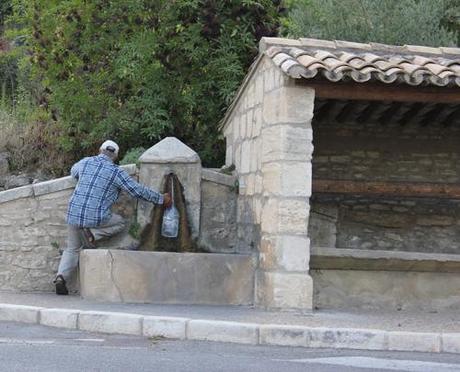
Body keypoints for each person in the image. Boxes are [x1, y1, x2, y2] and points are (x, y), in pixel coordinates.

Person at [54, 140, 171, 295]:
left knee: (72, 248)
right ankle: (92, 234)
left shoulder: (86, 162)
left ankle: (61, 277)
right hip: (96, 218)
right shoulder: (116, 172)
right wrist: (161, 199)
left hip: (73, 213)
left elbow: (73, 171)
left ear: (100, 150)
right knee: (121, 223)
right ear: (115, 156)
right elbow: (136, 190)